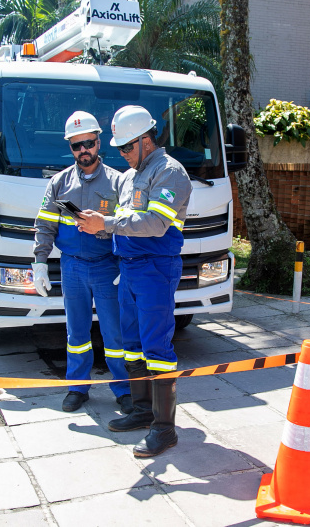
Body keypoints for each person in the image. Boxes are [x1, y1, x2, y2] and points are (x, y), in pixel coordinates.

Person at [77, 105, 192, 457]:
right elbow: (125, 218)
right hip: (128, 268)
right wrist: (97, 222)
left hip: (155, 268)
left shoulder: (170, 172)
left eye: (127, 147)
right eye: (120, 148)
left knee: (157, 347)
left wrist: (107, 223)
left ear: (146, 140)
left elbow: (155, 223)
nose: (123, 154)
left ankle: (165, 429)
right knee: (132, 344)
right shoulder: (130, 177)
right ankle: (142, 411)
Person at [32, 111, 131, 414]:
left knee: (115, 333)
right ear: (71, 148)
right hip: (72, 266)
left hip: (107, 266)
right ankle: (77, 388)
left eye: (88, 143)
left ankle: (124, 389)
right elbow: (45, 224)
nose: (83, 150)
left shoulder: (118, 182)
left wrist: (124, 263)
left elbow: (130, 226)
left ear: (99, 142)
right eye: (77, 145)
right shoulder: (59, 183)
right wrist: (39, 261)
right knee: (76, 333)